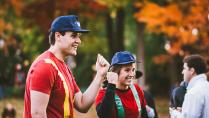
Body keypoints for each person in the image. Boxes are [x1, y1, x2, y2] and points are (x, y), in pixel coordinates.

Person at [23, 15, 109, 118]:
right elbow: (37, 114)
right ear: (58, 36)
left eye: (78, 36)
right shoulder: (45, 66)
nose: (79, 41)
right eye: (73, 36)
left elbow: (82, 104)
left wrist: (100, 75)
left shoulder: (62, 66)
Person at [95, 51, 155, 118]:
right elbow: (103, 115)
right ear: (115, 71)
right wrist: (111, 85)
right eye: (127, 70)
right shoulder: (103, 93)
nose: (132, 74)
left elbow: (144, 114)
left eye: (133, 70)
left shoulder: (137, 89)